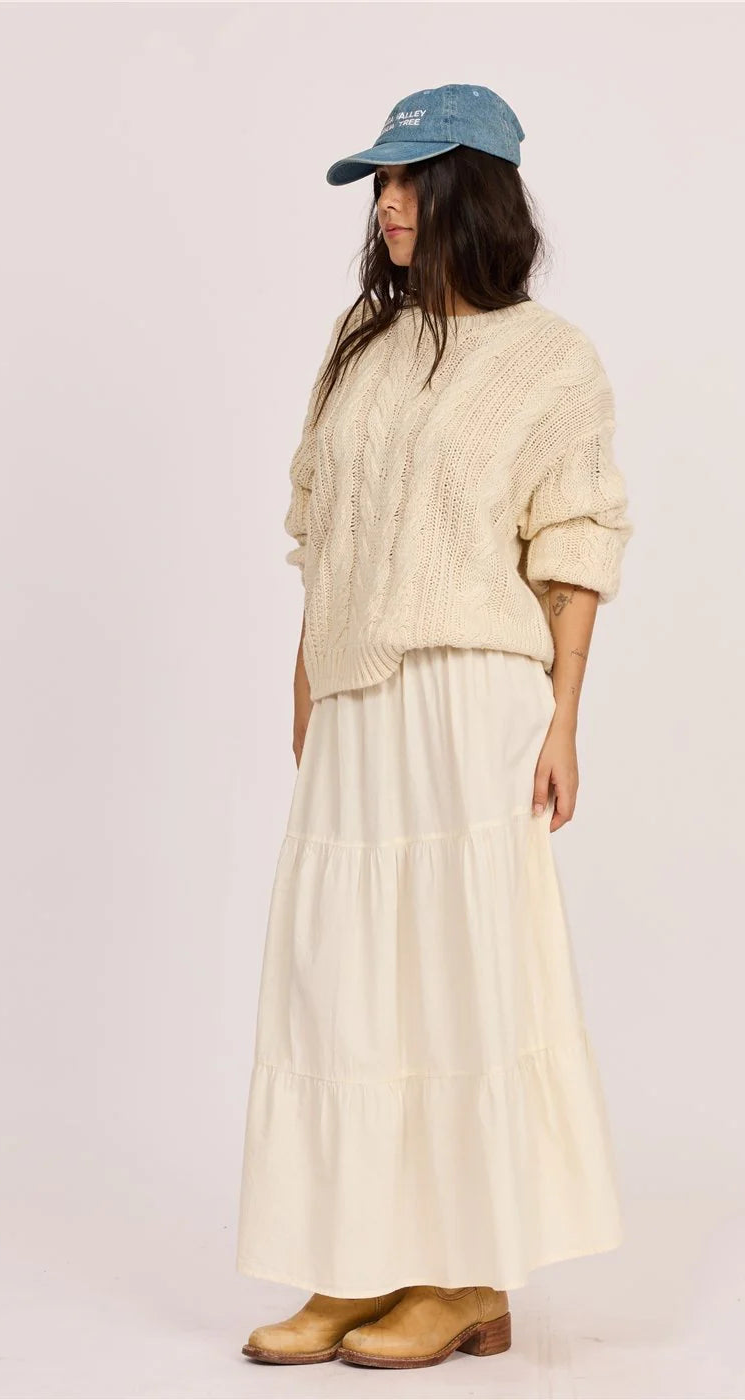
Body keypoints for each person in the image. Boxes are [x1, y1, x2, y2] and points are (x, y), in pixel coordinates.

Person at [235, 83, 633, 1371]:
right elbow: (322, 527)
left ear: (474, 192)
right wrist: (307, 665)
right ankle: (359, 1262)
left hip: (472, 694)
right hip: (359, 693)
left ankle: (466, 1278)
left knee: (460, 971)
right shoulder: (361, 344)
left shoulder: (550, 358)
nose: (388, 204)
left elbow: (574, 543)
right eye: (382, 183)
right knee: (347, 978)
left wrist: (565, 719)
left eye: (410, 180)